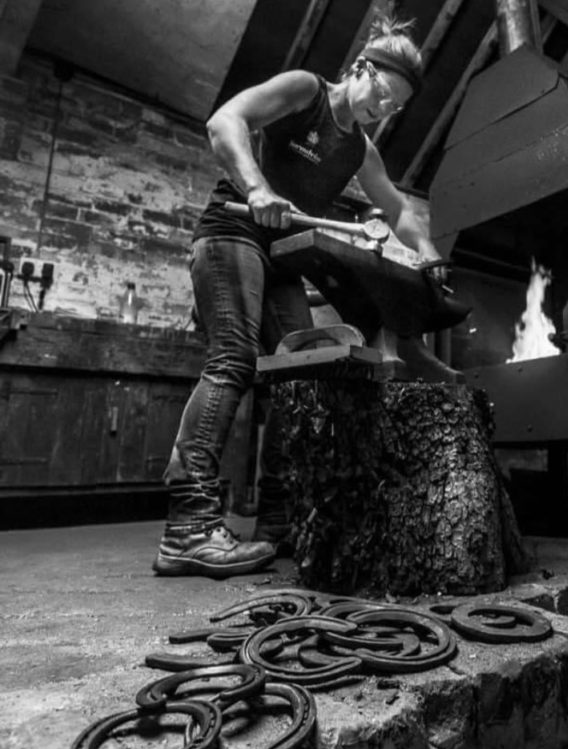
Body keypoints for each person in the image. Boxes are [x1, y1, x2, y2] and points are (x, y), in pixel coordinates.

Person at [153, 12, 446, 579]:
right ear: (362, 68)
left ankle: (280, 521)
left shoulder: (361, 149)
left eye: (396, 106)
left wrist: (428, 254)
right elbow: (225, 121)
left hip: (282, 258)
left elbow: (399, 209)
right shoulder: (306, 91)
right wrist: (258, 186)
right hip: (231, 233)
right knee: (234, 359)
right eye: (383, 93)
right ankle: (188, 525)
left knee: (301, 377)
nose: (384, 110)